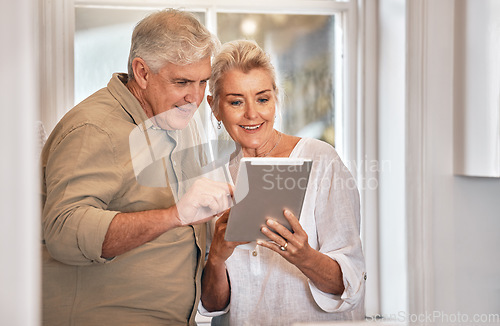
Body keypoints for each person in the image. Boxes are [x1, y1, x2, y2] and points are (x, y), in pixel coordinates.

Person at [41, 9, 233, 326]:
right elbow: (63, 232)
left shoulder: (179, 120)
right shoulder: (94, 129)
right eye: (182, 81)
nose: (195, 97)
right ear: (142, 73)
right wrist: (174, 216)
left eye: (203, 82)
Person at [199, 40, 366, 325]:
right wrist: (215, 258)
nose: (252, 114)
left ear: (275, 98)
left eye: (262, 99)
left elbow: (351, 286)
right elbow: (214, 306)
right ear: (214, 107)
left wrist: (305, 257)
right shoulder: (212, 179)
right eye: (236, 101)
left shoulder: (320, 160)